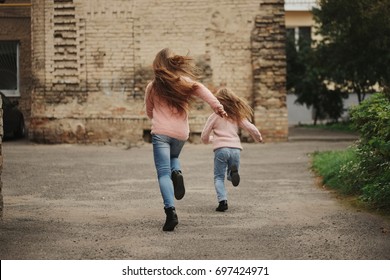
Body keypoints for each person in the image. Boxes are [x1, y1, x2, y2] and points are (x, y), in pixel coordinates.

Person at [145, 48, 228, 231]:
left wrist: (158, 116)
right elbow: (200, 88)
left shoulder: (152, 86)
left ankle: (171, 212)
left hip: (161, 133)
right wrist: (217, 106)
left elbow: (149, 111)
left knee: (163, 173)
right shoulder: (183, 82)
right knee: (174, 157)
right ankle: (178, 173)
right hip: (180, 134)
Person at [201, 87, 263, 212]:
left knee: (218, 177)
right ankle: (232, 173)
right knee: (231, 174)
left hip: (221, 149)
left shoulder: (214, 116)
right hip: (235, 149)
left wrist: (211, 139)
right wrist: (258, 138)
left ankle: (223, 201)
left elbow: (204, 136)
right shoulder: (237, 116)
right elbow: (250, 128)